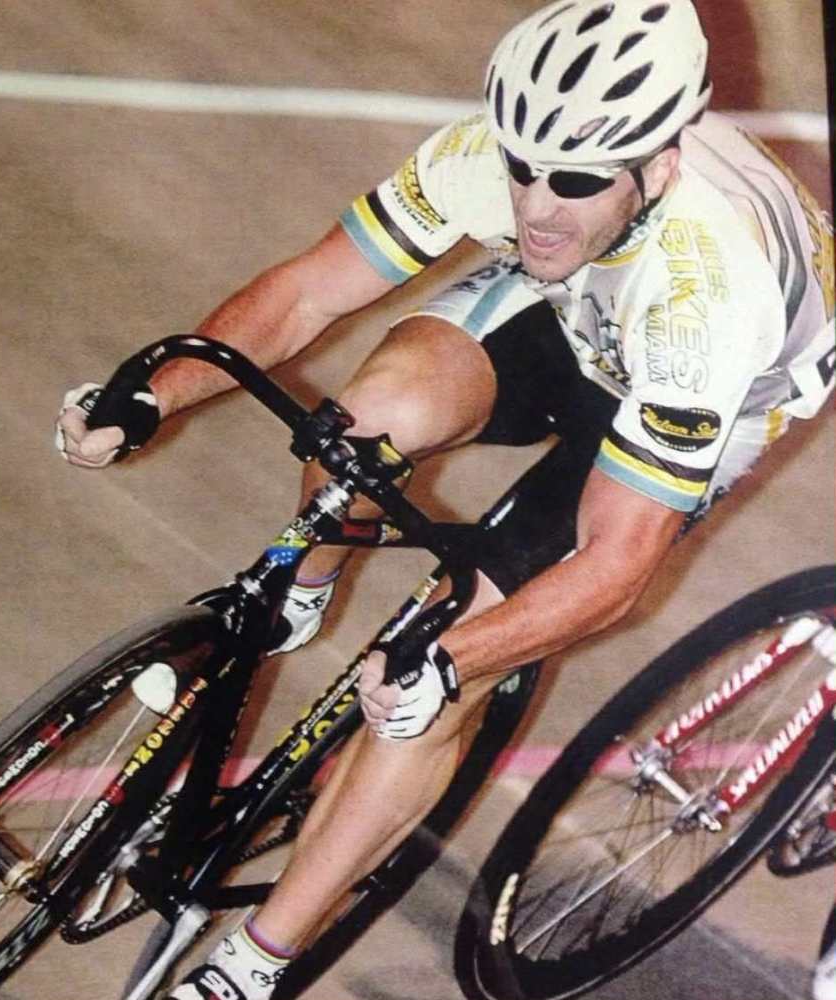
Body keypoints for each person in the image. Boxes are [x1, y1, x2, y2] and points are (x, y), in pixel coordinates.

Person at [56, 1, 835, 997]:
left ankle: (255, 962)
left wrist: (453, 661)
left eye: (575, 180)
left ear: (658, 166)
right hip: (576, 300)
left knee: (442, 671)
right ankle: (299, 596)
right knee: (361, 423)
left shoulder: (706, 300)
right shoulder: (500, 164)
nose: (535, 204)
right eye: (522, 167)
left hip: (709, 380)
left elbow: (618, 560)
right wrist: (151, 394)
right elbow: (310, 291)